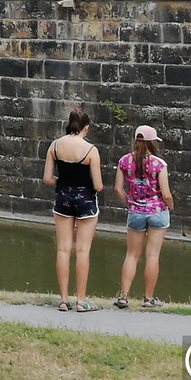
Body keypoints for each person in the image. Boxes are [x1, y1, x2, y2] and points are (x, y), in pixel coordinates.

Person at [42, 108, 103, 312]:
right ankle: (81, 300)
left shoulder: (55, 145)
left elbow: (48, 179)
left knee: (63, 249)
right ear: (86, 128)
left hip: (63, 199)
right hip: (85, 200)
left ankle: (63, 299)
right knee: (83, 250)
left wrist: (64, 182)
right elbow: (98, 185)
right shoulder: (90, 150)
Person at [114, 124, 173, 309]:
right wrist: (170, 207)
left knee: (132, 255)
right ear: (152, 142)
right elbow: (166, 193)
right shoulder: (159, 164)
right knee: (152, 255)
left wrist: (129, 202)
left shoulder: (124, 161)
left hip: (136, 213)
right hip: (157, 212)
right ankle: (148, 299)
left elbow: (117, 188)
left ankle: (123, 296)